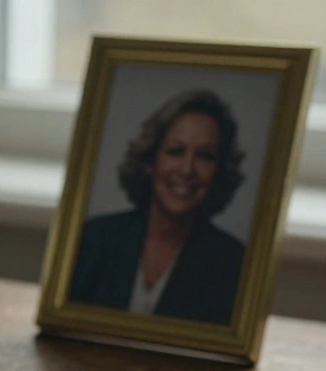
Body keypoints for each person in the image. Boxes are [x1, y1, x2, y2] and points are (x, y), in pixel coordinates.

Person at [69, 89, 247, 325]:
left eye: (205, 156)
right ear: (149, 161)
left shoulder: (235, 264)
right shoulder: (92, 239)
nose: (187, 170)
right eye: (175, 152)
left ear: (220, 171)